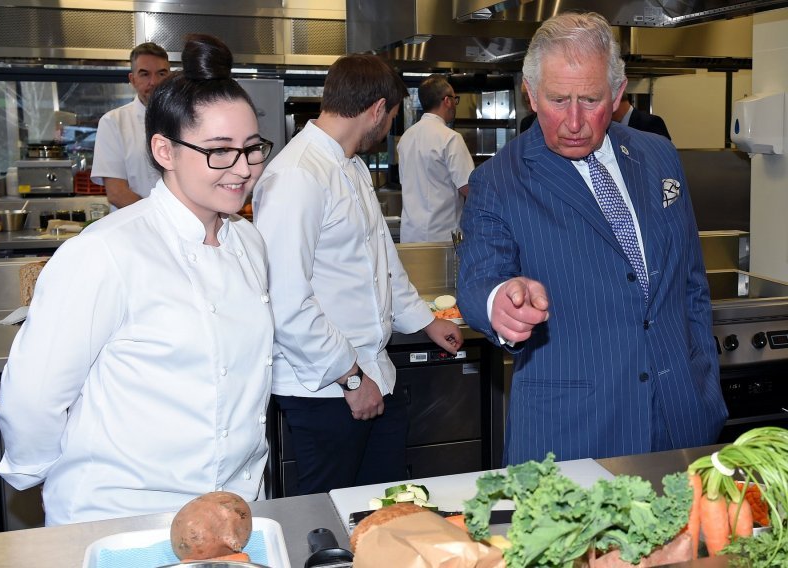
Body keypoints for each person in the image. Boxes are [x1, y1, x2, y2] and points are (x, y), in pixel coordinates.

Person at [0, 34, 276, 525]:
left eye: (253, 149)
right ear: (164, 150)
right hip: (120, 512)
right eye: (219, 151)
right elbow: (33, 398)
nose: (242, 169)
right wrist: (49, 474)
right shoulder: (106, 252)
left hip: (233, 508)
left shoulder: (249, 243)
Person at [457, 12, 727, 465]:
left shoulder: (657, 155)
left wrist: (704, 382)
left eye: (591, 99)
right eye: (559, 99)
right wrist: (500, 302)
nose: (575, 121)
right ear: (531, 94)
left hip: (683, 421)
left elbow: (691, 284)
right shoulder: (499, 181)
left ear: (619, 94)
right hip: (573, 436)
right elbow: (479, 281)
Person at [253, 54, 463, 495]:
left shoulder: (349, 165)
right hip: (328, 389)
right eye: (390, 116)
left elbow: (380, 261)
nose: (388, 127)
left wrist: (424, 320)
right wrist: (349, 378)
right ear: (375, 110)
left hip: (373, 374)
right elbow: (284, 297)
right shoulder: (297, 175)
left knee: (382, 510)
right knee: (329, 521)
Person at [91, 42, 170, 210]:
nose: (153, 82)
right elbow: (117, 192)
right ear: (132, 79)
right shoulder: (113, 122)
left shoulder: (183, 119)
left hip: (182, 227)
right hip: (134, 228)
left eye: (161, 74)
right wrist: (160, 221)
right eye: (144, 74)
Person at [398, 74, 474, 243]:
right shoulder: (450, 138)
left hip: (410, 237)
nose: (455, 104)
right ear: (447, 101)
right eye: (455, 99)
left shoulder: (406, 137)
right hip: (443, 238)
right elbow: (469, 187)